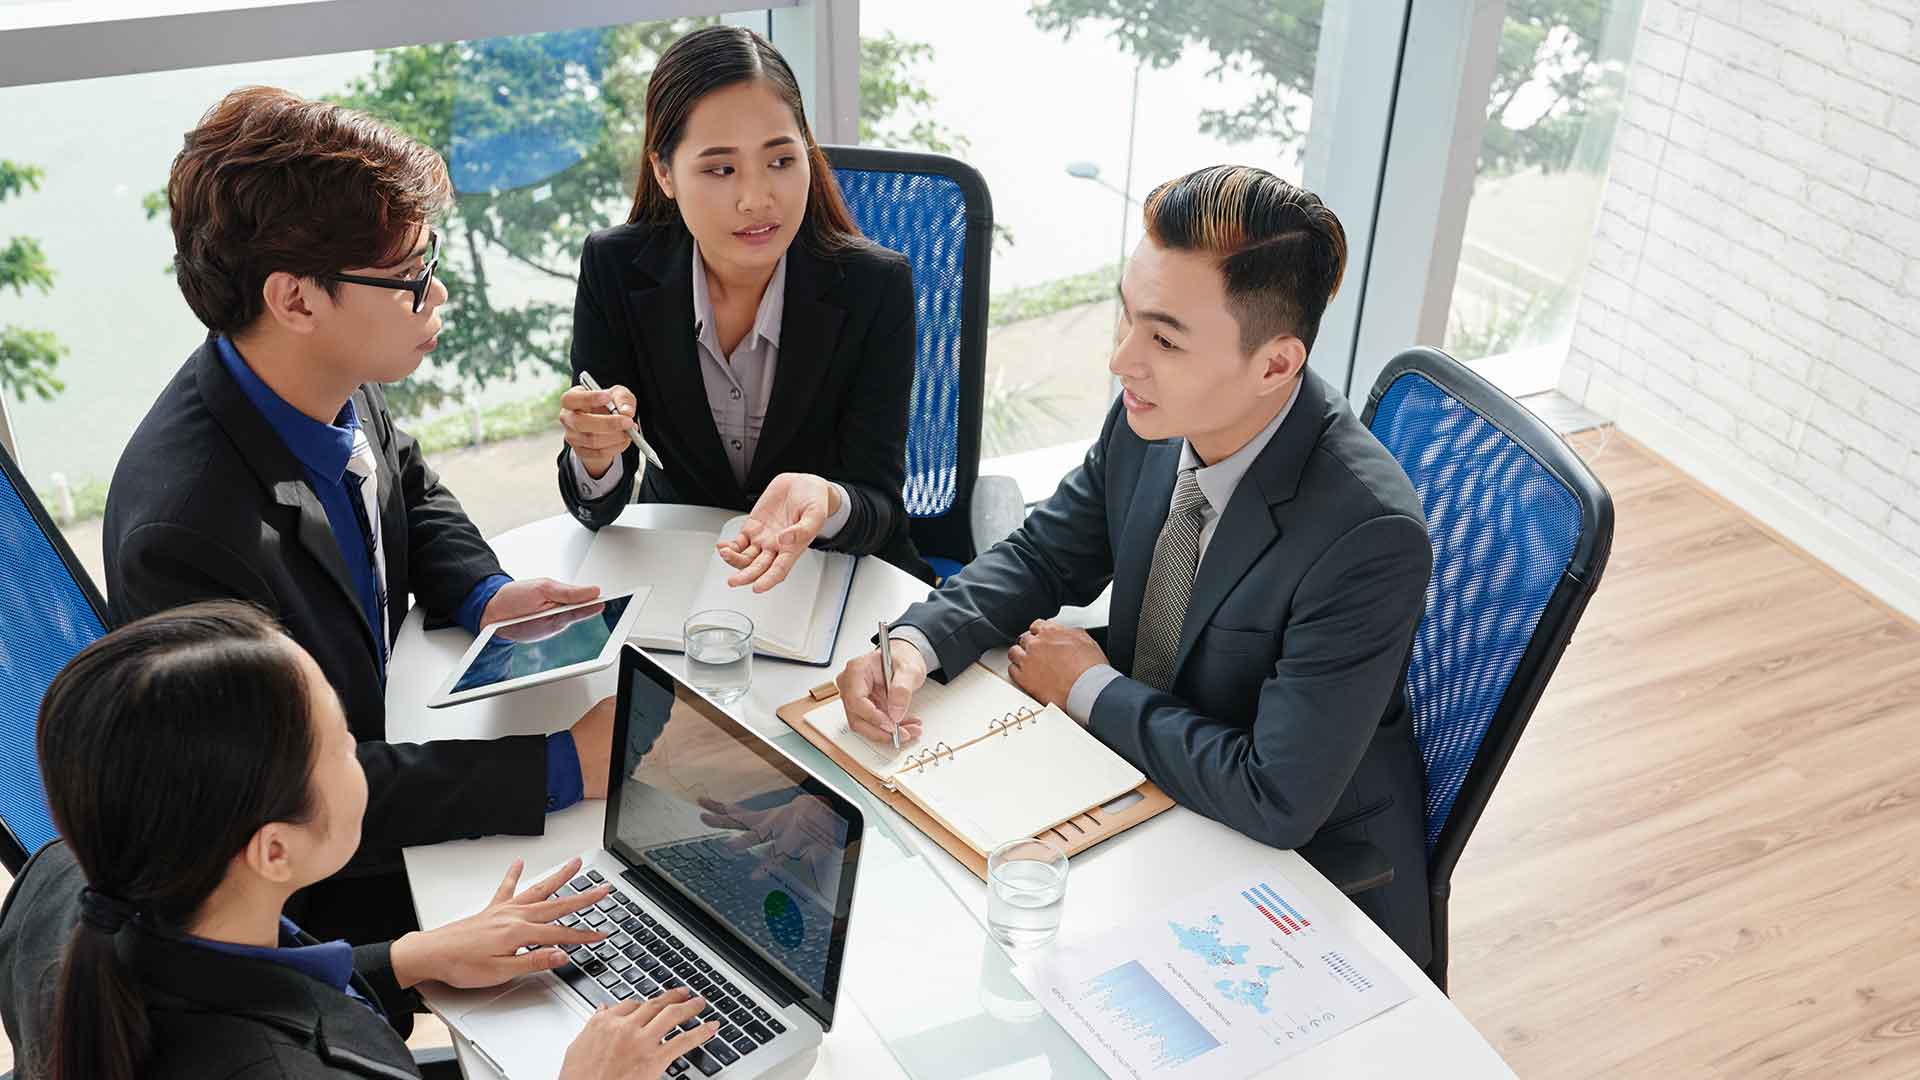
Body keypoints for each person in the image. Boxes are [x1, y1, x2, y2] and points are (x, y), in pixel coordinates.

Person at [834, 165, 1438, 965]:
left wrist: (1087, 686)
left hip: (1293, 885)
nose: (1123, 360)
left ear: (1275, 365)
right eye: (1127, 318)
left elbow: (1276, 795)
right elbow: (1046, 553)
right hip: (1143, 786)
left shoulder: (1368, 535)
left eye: (1164, 339)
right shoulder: (1155, 417)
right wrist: (917, 643)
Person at [102, 86, 615, 942]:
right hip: (329, 891)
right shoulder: (187, 535)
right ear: (297, 300)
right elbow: (299, 800)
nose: (436, 291)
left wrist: (484, 592)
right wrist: (563, 764)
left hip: (398, 747)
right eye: (409, 277)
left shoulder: (312, 374)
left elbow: (403, 479)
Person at [0, 602, 718, 1080]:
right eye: (344, 747)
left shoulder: (67, 879)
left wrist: (406, 959)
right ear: (274, 851)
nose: (363, 759)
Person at [555, 25, 933, 589]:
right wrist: (596, 458)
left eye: (781, 161)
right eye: (721, 169)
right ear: (664, 173)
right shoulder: (616, 268)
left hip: (829, 577)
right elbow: (597, 510)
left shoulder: (874, 286)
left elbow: (878, 506)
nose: (757, 199)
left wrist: (827, 502)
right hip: (682, 575)